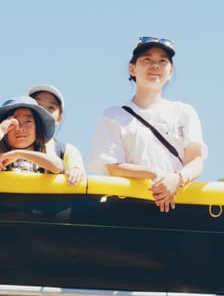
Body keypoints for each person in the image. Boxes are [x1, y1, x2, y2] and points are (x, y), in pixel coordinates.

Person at [88, 37, 206, 212]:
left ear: (171, 71)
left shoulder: (184, 112)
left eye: (163, 61)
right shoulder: (113, 116)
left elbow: (196, 161)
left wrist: (177, 179)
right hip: (128, 209)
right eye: (147, 59)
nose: (155, 66)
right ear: (132, 69)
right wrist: (155, 174)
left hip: (179, 207)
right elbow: (114, 167)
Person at [26, 83, 86, 185]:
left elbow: (77, 172)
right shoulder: (11, 143)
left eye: (51, 107)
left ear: (59, 118)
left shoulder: (66, 150)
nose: (44, 111)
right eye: (38, 105)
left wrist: (75, 171)